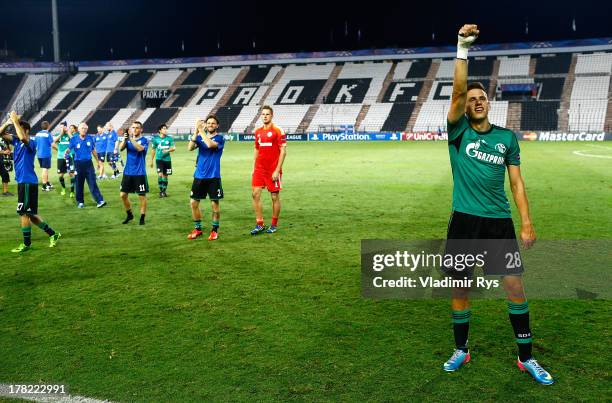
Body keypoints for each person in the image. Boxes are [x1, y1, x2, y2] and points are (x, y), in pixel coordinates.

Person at [441, 24, 553, 385]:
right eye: (471, 99)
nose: (475, 101)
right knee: (460, 286)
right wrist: (462, 48)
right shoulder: (458, 133)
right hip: (464, 222)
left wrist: (527, 222)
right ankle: (462, 349)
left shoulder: (506, 138)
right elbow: (458, 90)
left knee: (514, 286)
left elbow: (516, 183)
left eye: (481, 98)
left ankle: (526, 357)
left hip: (497, 223)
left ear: (489, 103)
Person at [0, 112, 61, 253]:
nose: (15, 131)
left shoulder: (30, 143)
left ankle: (26, 244)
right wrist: (9, 122)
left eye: (17, 128)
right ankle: (53, 234)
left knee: (23, 213)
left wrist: (16, 121)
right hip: (25, 181)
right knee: (31, 215)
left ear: (25, 129)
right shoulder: (16, 141)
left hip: (27, 182)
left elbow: (22, 137)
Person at [187, 116, 224, 240]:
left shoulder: (220, 138)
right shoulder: (199, 136)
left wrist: (201, 130)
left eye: (213, 123)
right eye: (208, 123)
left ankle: (214, 230)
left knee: (214, 204)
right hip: (199, 175)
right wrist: (196, 131)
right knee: (193, 203)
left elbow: (209, 144)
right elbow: (190, 148)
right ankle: (198, 229)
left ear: (217, 125)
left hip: (213, 176)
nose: (210, 125)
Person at [251, 105, 286, 235]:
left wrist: (277, 170)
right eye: (263, 114)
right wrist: (254, 167)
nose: (264, 116)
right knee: (255, 194)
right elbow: (256, 149)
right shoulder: (258, 131)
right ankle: (259, 224)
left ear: (272, 116)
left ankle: (274, 224)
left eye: (267, 114)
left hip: (273, 169)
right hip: (259, 169)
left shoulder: (278, 130)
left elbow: (283, 151)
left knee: (274, 196)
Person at [64, 122, 107, 209]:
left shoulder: (90, 138)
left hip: (88, 164)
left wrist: (98, 162)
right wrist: (66, 153)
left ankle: (100, 200)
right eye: (82, 128)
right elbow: (68, 149)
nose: (84, 130)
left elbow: (93, 151)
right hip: (78, 164)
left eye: (85, 128)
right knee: (79, 184)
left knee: (92, 182)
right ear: (78, 130)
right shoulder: (74, 139)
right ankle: (80, 202)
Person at [119, 121, 149, 225]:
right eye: (133, 127)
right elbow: (121, 148)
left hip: (139, 173)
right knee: (123, 195)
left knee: (142, 196)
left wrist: (131, 139)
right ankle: (129, 214)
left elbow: (140, 149)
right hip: (128, 172)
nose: (135, 129)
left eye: (137, 128)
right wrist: (125, 139)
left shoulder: (144, 140)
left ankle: (142, 217)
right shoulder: (128, 140)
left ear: (141, 129)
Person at [149, 123, 176, 197]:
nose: (165, 130)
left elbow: (173, 148)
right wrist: (151, 160)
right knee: (160, 174)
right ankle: (161, 191)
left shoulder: (169, 138)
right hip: (159, 159)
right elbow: (153, 150)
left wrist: (167, 150)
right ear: (160, 130)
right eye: (164, 128)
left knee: (165, 176)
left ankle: (164, 191)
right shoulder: (155, 139)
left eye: (166, 128)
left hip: (167, 160)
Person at [52, 122, 76, 197]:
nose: (62, 128)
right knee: (60, 175)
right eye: (61, 127)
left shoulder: (71, 135)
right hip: (60, 157)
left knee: (71, 174)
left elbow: (74, 141)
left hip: (70, 157)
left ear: (66, 127)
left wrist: (68, 132)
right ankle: (63, 188)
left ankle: (72, 191)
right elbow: (53, 143)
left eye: (63, 127)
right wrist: (59, 150)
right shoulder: (58, 135)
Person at [34, 121, 54, 191]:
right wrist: (58, 150)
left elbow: (35, 144)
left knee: (45, 169)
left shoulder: (37, 134)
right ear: (48, 126)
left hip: (39, 154)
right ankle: (44, 186)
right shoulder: (48, 134)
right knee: (45, 169)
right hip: (46, 154)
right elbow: (52, 144)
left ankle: (47, 183)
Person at [0, 129, 13, 196]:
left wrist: (9, 150)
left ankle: (5, 192)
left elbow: (9, 148)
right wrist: (4, 152)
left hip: (3, 159)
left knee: (5, 175)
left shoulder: (5, 139)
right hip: (1, 158)